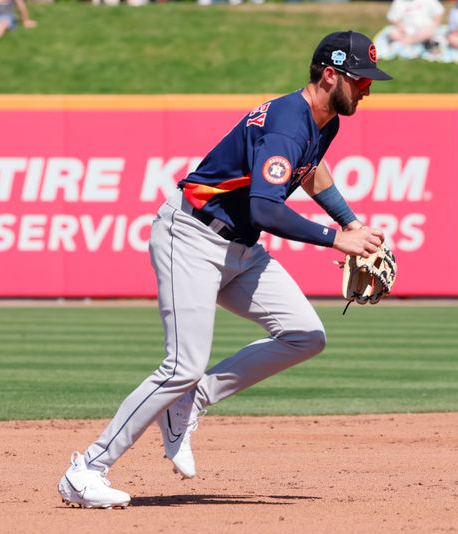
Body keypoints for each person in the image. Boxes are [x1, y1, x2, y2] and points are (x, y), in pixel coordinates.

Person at [57, 30, 392, 509]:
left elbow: (312, 171)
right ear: (330, 74)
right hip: (191, 236)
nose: (367, 88)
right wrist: (338, 239)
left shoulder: (324, 122)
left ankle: (190, 402)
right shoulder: (288, 124)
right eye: (360, 80)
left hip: (240, 249)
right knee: (181, 365)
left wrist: (350, 219)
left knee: (304, 334)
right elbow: (265, 208)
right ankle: (85, 470)